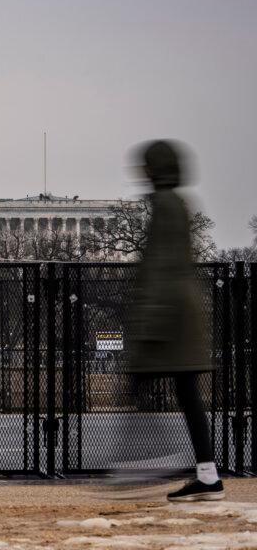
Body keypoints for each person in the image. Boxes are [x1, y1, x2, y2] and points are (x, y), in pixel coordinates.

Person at [127, 140, 223, 502]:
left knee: (140, 385)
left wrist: (148, 326)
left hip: (170, 318)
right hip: (183, 314)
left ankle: (137, 467)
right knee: (187, 394)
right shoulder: (178, 204)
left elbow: (160, 269)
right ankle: (207, 475)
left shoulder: (166, 206)